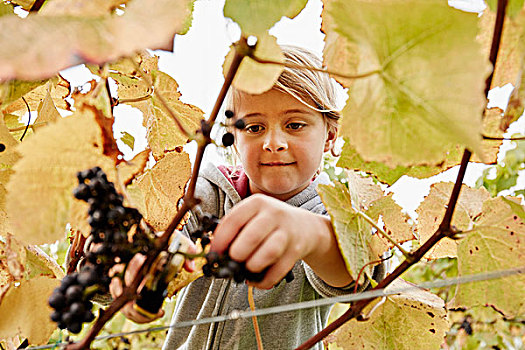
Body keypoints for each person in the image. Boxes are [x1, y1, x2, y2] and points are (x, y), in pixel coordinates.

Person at [115, 45, 384, 349]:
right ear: (234, 137)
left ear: (330, 136)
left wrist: (312, 236)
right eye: (255, 127)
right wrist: (130, 260)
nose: (273, 143)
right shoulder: (204, 195)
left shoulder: (333, 212)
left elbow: (357, 278)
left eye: (294, 125)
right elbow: (158, 231)